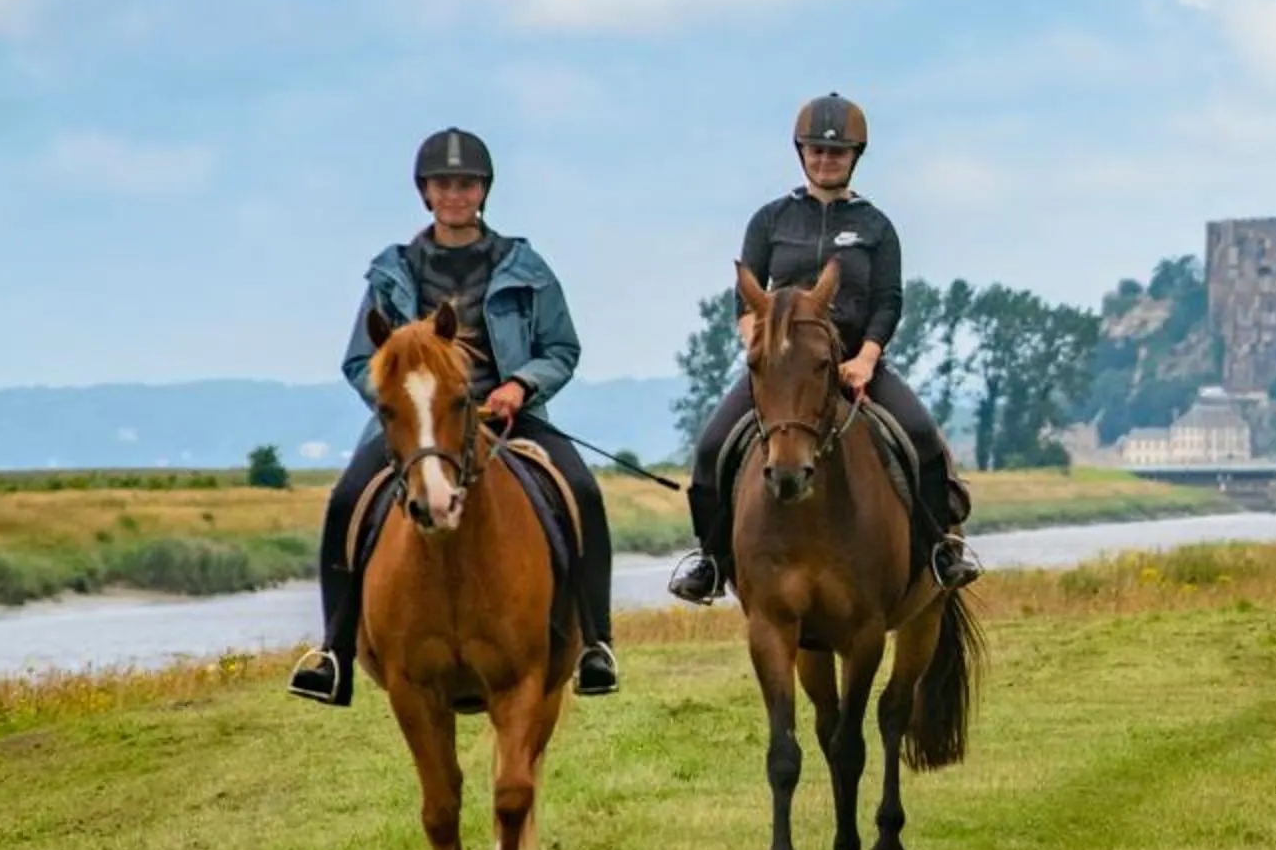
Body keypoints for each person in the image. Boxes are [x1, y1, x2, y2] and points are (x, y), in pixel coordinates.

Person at [290, 129, 618, 705]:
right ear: (425, 192)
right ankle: (334, 651)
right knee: (345, 501)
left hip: (509, 416)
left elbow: (561, 348)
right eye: (443, 184)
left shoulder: (525, 267)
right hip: (420, 427)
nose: (454, 194)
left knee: (583, 493)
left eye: (466, 184)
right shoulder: (392, 271)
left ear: (483, 190)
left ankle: (595, 643)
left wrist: (521, 384)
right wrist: (402, 406)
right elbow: (361, 359)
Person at [668, 94, 976, 602]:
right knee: (709, 449)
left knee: (923, 440)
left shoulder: (876, 227)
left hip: (855, 364)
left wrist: (866, 359)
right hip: (783, 371)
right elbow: (745, 300)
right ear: (801, 153)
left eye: (837, 152)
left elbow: (888, 301)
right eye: (816, 150)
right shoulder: (770, 220)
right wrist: (761, 345)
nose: (825, 159)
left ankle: (939, 549)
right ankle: (711, 559)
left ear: (855, 156)